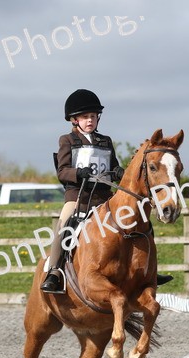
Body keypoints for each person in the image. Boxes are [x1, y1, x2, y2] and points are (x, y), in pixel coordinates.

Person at [40, 89, 124, 293]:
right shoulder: (67, 140)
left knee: (133, 221)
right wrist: (79, 173)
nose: (90, 120)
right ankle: (55, 271)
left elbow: (113, 166)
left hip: (105, 198)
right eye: (85, 117)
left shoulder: (106, 141)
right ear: (74, 120)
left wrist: (119, 171)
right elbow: (62, 171)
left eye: (93, 116)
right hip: (78, 198)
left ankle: (143, 270)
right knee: (64, 225)